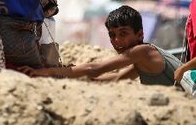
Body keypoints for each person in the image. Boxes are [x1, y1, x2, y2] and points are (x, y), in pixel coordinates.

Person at [24, 5, 180, 85]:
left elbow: (95, 69)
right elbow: (118, 78)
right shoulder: (142, 59)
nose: (117, 40)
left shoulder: (142, 51)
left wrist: (48, 71)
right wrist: (81, 80)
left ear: (140, 34)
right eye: (112, 35)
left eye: (123, 34)